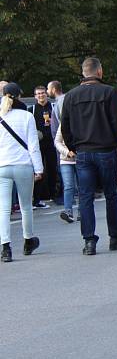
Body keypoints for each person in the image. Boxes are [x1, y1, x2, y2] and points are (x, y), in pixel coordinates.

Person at [60, 57, 117, 256]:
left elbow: (66, 126)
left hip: (83, 152)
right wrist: (115, 143)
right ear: (99, 72)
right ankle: (115, 236)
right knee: (111, 195)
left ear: (83, 73)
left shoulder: (71, 96)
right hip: (106, 150)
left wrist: (74, 146)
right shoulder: (108, 92)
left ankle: (89, 240)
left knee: (85, 197)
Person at [0, 83, 43, 262]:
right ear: (19, 97)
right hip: (23, 165)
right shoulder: (27, 116)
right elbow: (33, 146)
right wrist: (39, 168)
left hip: (3, 165)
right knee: (26, 206)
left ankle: (5, 247)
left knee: (3, 208)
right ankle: (28, 241)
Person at [29, 85, 58, 207]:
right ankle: (37, 198)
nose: (41, 95)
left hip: (52, 142)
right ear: (35, 96)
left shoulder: (53, 107)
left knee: (53, 169)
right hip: (37, 144)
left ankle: (54, 195)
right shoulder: (32, 110)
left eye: (43, 93)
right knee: (38, 171)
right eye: (38, 94)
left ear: (46, 94)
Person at [54, 125, 78, 223]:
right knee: (68, 186)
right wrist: (67, 152)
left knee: (83, 187)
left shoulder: (82, 120)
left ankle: (83, 211)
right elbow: (57, 142)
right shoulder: (63, 124)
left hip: (81, 159)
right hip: (66, 159)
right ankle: (68, 212)